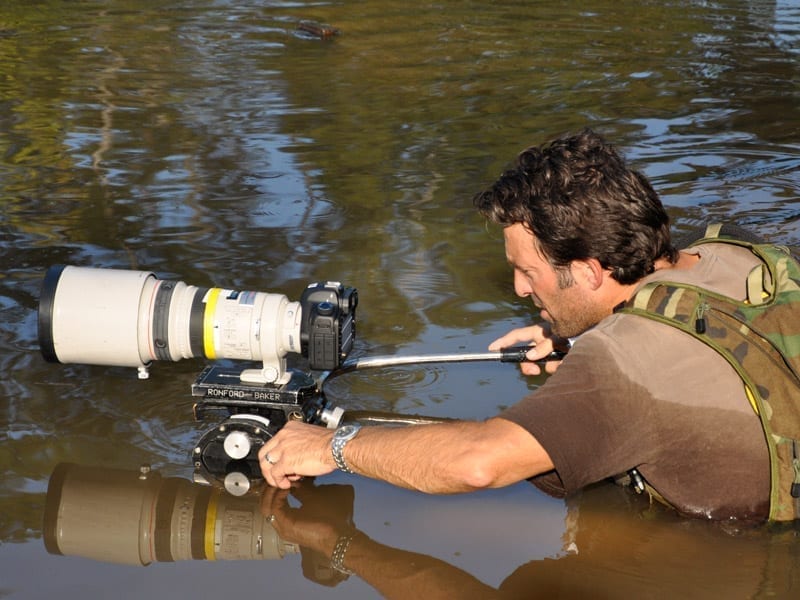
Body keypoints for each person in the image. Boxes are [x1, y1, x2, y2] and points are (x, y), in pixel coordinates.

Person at [259, 128, 772, 521]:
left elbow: (478, 463)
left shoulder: (625, 364)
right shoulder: (736, 254)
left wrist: (332, 446)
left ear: (591, 271)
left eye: (528, 272)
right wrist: (582, 338)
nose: (521, 291)